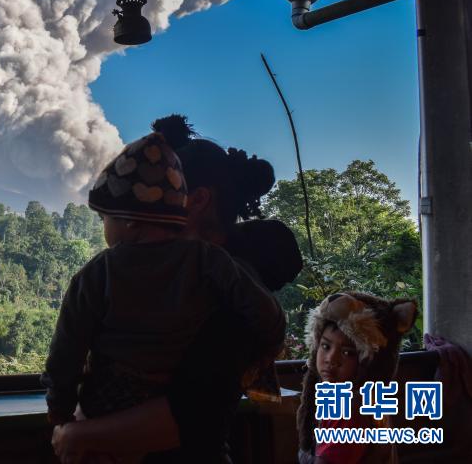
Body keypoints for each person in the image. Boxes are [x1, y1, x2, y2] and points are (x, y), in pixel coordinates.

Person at [51, 114, 300, 463]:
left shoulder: (226, 286)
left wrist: (74, 431)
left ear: (196, 200)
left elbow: (192, 412)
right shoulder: (206, 272)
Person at [298, 292, 417, 464]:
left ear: (369, 361)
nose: (331, 359)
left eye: (348, 353)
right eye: (325, 346)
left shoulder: (348, 411)